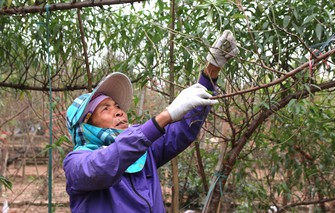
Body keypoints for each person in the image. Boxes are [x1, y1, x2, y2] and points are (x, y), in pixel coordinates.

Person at [63, 30, 239, 213]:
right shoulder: (76, 164)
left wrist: (211, 70)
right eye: (105, 108)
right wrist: (165, 115)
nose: (118, 112)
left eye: (117, 106)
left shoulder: (143, 153)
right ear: (86, 124)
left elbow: (181, 130)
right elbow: (104, 165)